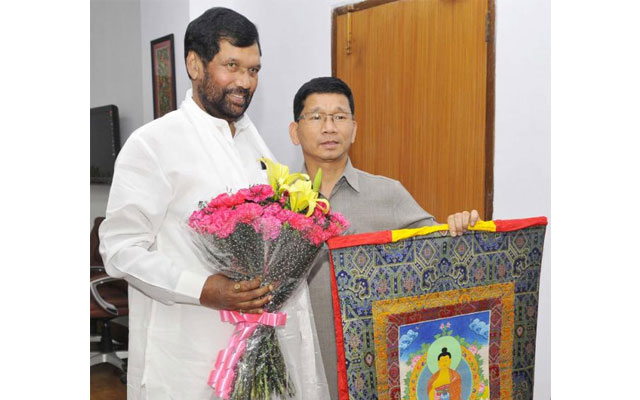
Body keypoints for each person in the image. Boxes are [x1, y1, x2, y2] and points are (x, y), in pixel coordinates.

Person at [99, 8, 327, 399]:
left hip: (259, 352)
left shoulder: (255, 145)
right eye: (231, 66)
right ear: (194, 64)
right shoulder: (153, 144)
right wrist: (203, 288)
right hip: (186, 353)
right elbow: (120, 249)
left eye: (253, 70)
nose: (245, 82)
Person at [288, 77, 479, 399]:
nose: (329, 127)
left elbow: (438, 247)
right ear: (295, 131)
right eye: (317, 116)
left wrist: (460, 226)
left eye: (339, 116)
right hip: (297, 363)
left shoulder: (388, 194)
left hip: (371, 364)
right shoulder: (275, 200)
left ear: (354, 129)